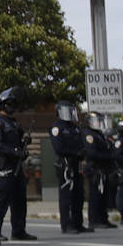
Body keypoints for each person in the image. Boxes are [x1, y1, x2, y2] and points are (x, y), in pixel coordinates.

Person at [0, 87, 37, 241]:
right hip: (5, 165)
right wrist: (16, 151)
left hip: (17, 166)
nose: (12, 106)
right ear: (1, 104)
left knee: (20, 200)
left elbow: (17, 143)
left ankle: (19, 230)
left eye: (13, 103)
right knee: (2, 199)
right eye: (9, 103)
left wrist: (24, 144)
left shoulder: (13, 123)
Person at [50, 100, 90, 234]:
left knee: (78, 194)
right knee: (66, 195)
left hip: (77, 163)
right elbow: (59, 148)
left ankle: (78, 223)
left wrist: (82, 152)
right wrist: (75, 152)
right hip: (65, 164)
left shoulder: (75, 127)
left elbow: (81, 143)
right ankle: (66, 224)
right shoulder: (57, 127)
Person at [81, 112, 118, 229]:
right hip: (95, 169)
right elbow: (92, 152)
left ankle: (103, 218)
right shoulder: (88, 134)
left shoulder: (99, 134)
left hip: (103, 169)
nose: (99, 123)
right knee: (95, 196)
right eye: (97, 120)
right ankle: (95, 220)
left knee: (104, 195)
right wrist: (108, 155)